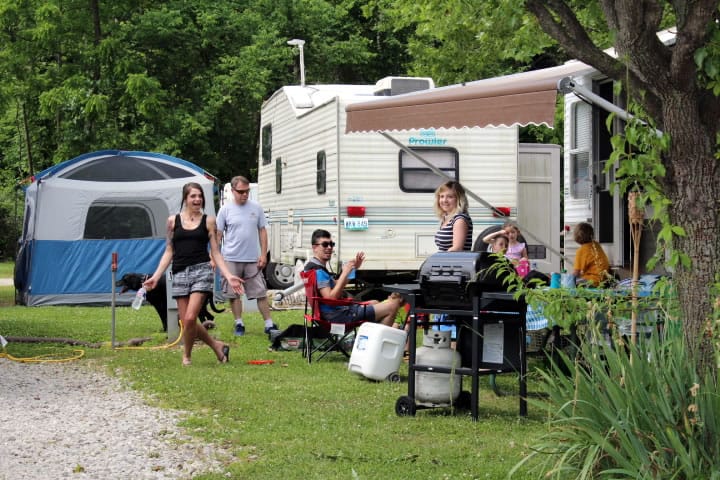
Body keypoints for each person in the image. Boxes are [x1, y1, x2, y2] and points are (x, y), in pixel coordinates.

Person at [143, 182, 244, 366]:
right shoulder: (173, 221)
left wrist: (228, 275)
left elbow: (215, 252)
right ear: (185, 199)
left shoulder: (208, 221)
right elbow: (168, 251)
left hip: (202, 270)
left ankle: (185, 356)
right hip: (180, 271)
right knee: (185, 321)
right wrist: (156, 276)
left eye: (200, 196)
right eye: (193, 196)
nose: (197, 199)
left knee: (190, 317)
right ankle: (216, 346)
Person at [216, 176, 277, 337]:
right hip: (230, 258)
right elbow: (218, 234)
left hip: (252, 258)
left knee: (260, 292)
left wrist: (263, 254)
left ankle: (269, 324)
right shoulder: (225, 210)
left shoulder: (256, 208)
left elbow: (262, 231)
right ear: (233, 191)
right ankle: (239, 323)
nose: (244, 195)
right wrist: (214, 256)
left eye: (247, 191)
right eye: (241, 192)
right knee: (233, 293)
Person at [305, 229, 403, 327]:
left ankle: (370, 337)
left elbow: (336, 285)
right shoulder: (318, 271)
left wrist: (353, 269)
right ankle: (376, 340)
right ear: (315, 248)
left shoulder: (313, 267)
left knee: (375, 302)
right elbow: (330, 298)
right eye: (325, 244)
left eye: (332, 244)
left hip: (333, 313)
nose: (330, 247)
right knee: (393, 305)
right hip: (338, 315)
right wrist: (344, 273)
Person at [433, 180, 473, 252]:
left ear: (459, 199)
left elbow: (456, 249)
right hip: (445, 262)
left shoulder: (459, 220)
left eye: (450, 197)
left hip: (455, 262)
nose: (444, 200)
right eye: (441, 196)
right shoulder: (446, 218)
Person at [571, 222, 611, 287]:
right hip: (604, 280)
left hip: (592, 281)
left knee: (570, 282)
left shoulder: (581, 251)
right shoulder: (596, 244)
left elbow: (576, 273)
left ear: (576, 236)